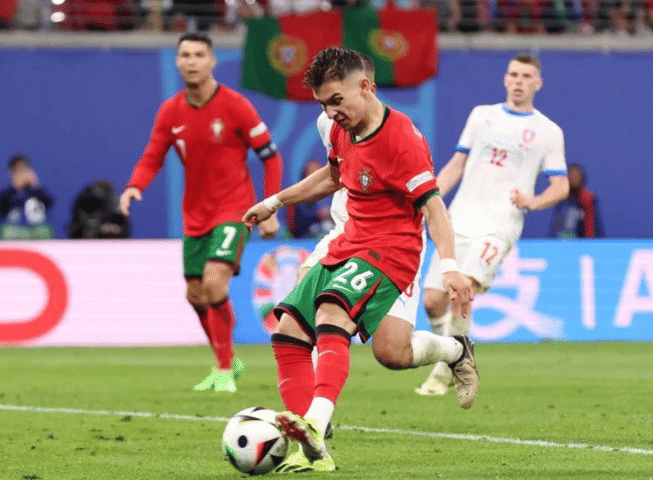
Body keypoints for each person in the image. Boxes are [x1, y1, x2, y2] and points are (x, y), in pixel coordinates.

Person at [243, 47, 476, 473]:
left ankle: (315, 424)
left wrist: (449, 266)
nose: (331, 113)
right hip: (351, 239)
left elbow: (433, 207)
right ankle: (454, 350)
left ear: (366, 87)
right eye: (323, 105)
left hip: (393, 248)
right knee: (296, 333)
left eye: (337, 101)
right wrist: (274, 202)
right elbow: (334, 176)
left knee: (332, 311)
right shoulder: (340, 129)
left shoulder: (402, 138)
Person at [119, 32, 284, 393]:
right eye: (185, 55)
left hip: (235, 208)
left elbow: (271, 158)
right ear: (177, 62)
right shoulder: (170, 111)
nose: (191, 61)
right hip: (195, 214)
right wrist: (134, 185)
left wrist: (270, 207)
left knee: (213, 282)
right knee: (195, 294)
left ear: (212, 61)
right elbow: (152, 156)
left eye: (198, 55)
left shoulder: (236, 106)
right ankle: (228, 360)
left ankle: (224, 370)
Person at [415, 53, 570, 397]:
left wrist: (533, 202)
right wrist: (429, 199)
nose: (518, 81)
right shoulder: (481, 115)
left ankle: (444, 371)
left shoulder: (548, 131)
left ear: (538, 83)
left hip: (499, 224)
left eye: (526, 76)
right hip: (459, 219)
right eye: (513, 74)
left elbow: (561, 186)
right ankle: (454, 355)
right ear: (505, 79)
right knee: (432, 301)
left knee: (463, 288)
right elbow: (457, 163)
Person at [0, 154, 55, 240]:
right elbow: (1, 210)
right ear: (11, 172)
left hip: (36, 228)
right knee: (7, 231)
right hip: (15, 229)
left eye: (25, 169)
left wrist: (36, 186)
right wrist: (16, 188)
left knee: (45, 231)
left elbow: (49, 203)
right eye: (18, 170)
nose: (22, 173)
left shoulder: (36, 191)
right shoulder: (5, 193)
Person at [549, 163, 603, 238]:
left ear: (582, 178)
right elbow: (556, 226)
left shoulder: (587, 198)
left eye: (576, 176)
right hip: (561, 241)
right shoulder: (561, 198)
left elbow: (591, 229)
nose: (573, 179)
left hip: (583, 242)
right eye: (570, 175)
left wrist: (589, 243)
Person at [286, 159, 333, 239]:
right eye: (311, 173)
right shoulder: (298, 195)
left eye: (317, 172)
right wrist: (317, 215)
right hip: (305, 236)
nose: (315, 176)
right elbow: (296, 222)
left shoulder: (332, 191)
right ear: (305, 175)